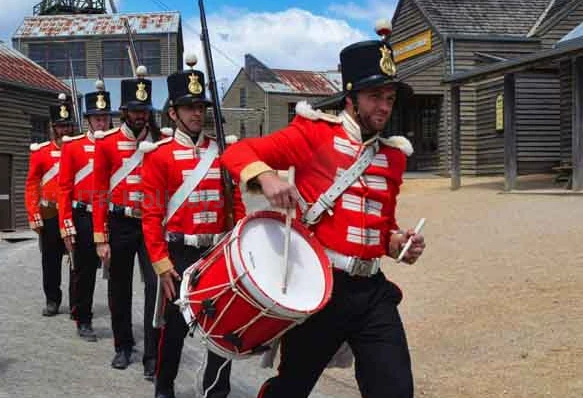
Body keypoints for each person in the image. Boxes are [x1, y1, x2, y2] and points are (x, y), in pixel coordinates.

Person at [219, 23, 427, 398]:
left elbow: (380, 229)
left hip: (373, 293)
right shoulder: (313, 134)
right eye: (375, 96)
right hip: (322, 287)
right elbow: (236, 153)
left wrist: (398, 244)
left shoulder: (393, 156)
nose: (384, 107)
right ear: (351, 97)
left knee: (395, 389)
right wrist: (266, 178)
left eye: (390, 98)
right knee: (291, 388)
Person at [141, 56, 246, 398]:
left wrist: (239, 243)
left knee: (222, 324)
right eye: (188, 107)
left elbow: (237, 205)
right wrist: (161, 262)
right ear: (173, 113)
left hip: (216, 253)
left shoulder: (222, 153)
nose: (196, 113)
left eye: (200, 106)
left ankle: (217, 391)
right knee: (172, 328)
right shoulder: (158, 156)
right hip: (178, 253)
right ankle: (164, 385)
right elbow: (151, 215)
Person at [91, 66, 162, 375]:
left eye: (144, 111)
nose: (139, 116)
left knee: (155, 287)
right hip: (119, 224)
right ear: (123, 111)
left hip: (150, 223)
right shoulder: (106, 144)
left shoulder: (161, 142)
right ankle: (123, 345)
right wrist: (100, 237)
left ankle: (152, 353)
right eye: (134, 111)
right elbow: (98, 192)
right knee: (119, 288)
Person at [55, 93, 101, 342]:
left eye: (105, 117)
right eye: (97, 118)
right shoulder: (73, 146)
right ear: (88, 120)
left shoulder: (117, 145)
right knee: (84, 271)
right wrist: (66, 224)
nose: (102, 123)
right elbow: (64, 188)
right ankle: (83, 318)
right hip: (83, 215)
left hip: (111, 215)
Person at [25, 95, 75, 317]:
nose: (64, 131)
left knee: (77, 260)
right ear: (53, 128)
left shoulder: (80, 149)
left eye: (67, 126)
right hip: (49, 212)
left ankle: (78, 302)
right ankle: (52, 299)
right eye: (60, 127)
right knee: (51, 259)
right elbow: (31, 185)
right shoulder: (41, 153)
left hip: (74, 210)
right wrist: (33, 213)